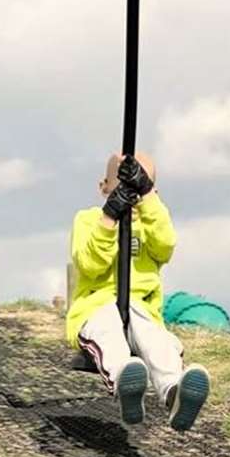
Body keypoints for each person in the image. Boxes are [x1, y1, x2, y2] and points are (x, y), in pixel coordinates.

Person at [67, 152, 210, 430]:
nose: (130, 195)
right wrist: (110, 217)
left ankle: (174, 391)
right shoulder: (88, 220)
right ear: (103, 187)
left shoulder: (152, 226)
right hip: (96, 309)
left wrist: (148, 198)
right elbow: (90, 264)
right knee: (107, 328)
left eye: (140, 187)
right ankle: (126, 381)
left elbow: (166, 245)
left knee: (156, 340)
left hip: (141, 309)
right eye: (121, 186)